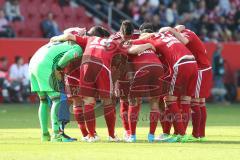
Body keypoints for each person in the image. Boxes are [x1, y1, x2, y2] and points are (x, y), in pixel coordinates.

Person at [50, 26, 155, 142]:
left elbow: (69, 36)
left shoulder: (90, 39)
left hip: (85, 65)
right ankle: (111, 136)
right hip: (102, 66)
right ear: (105, 36)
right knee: (108, 101)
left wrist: (55, 38)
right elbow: (132, 50)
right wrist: (148, 45)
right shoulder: (114, 43)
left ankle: (91, 136)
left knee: (88, 101)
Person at [133, 26, 198, 143]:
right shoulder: (167, 34)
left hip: (180, 63)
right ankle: (179, 133)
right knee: (185, 100)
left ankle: (181, 134)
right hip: (193, 62)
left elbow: (131, 44)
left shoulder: (149, 38)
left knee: (169, 99)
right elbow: (180, 29)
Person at [161, 25, 213, 141]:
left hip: (200, 68)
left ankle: (196, 135)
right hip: (200, 68)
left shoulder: (187, 33)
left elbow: (183, 41)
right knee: (198, 102)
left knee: (196, 102)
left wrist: (171, 31)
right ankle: (199, 135)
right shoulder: (185, 32)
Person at [29, 40, 83, 142]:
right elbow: (67, 57)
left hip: (33, 64)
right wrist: (58, 68)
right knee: (57, 99)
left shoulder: (60, 43)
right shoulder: (77, 47)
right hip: (46, 66)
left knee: (43, 100)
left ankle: (45, 135)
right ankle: (57, 134)